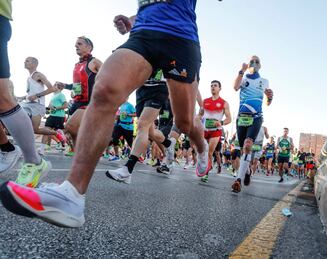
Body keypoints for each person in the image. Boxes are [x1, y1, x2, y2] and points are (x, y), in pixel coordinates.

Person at [0, 1, 211, 228]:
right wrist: (132, 20)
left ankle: (202, 148)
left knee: (185, 123)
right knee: (103, 90)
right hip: (144, 34)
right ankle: (72, 194)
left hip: (180, 36)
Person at [0, 1, 50, 186]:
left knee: (4, 100)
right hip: (28, 103)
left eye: (28, 60)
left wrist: (37, 96)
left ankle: (36, 155)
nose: (25, 61)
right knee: (4, 100)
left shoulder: (38, 74)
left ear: (35, 63)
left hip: (37, 105)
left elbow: (52, 88)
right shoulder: (28, 78)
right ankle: (9, 148)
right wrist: (23, 97)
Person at [106, 69, 175, 182]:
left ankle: (127, 170)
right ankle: (168, 144)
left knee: (142, 125)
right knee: (150, 131)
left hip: (159, 87)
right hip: (141, 89)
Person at [231, 56, 273, 193]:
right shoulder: (243, 78)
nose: (254, 63)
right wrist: (241, 71)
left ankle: (238, 180)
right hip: (242, 118)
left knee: (248, 145)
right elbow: (235, 87)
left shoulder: (264, 81)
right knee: (244, 150)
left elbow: (267, 103)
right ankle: (247, 170)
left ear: (260, 65)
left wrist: (270, 97)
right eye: (251, 61)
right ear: (248, 65)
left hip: (256, 118)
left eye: (257, 61)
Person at [58, 36, 102, 156]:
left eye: (79, 44)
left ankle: (82, 150)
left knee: (69, 127)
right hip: (76, 102)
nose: (76, 46)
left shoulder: (95, 62)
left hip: (90, 102)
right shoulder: (77, 65)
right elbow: (78, 85)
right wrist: (65, 85)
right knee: (73, 130)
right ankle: (79, 151)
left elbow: (108, 77)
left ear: (89, 47)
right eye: (76, 44)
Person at [199, 80, 231, 182]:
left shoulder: (224, 103)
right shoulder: (204, 101)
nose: (213, 87)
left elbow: (229, 119)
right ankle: (207, 166)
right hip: (204, 130)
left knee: (209, 152)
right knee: (202, 151)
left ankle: (205, 174)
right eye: (211, 85)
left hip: (215, 131)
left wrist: (221, 123)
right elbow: (199, 115)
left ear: (219, 88)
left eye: (215, 86)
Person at [40, 82, 68, 154]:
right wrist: (46, 112)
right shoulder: (53, 95)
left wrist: (55, 108)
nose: (52, 86)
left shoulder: (61, 95)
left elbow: (65, 105)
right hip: (51, 116)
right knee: (46, 131)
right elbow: (50, 107)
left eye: (54, 85)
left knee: (58, 132)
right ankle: (41, 150)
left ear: (58, 87)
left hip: (59, 116)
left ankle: (63, 140)